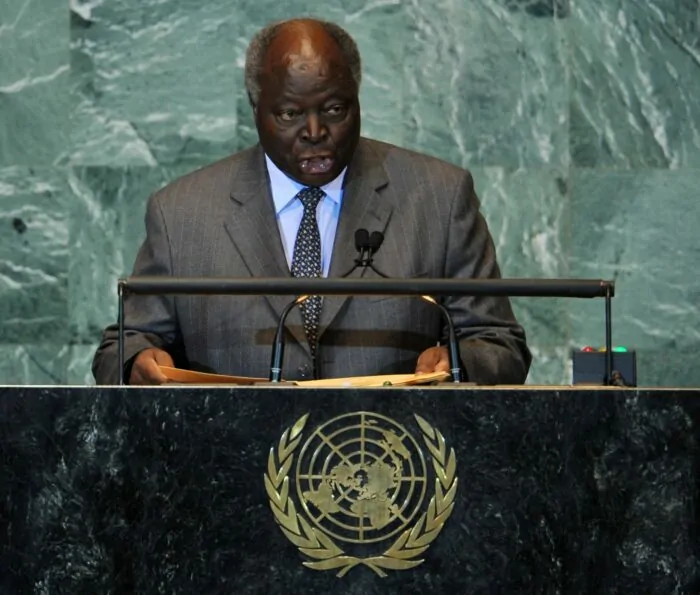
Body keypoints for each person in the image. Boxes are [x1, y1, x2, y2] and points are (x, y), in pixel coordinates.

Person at [92, 18, 531, 385]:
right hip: (233, 455)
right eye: (290, 114)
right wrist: (139, 364)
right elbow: (123, 347)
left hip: (388, 455)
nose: (316, 132)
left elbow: (499, 343)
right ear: (255, 108)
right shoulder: (182, 214)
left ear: (357, 99)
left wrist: (458, 361)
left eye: (335, 110)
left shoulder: (437, 197)